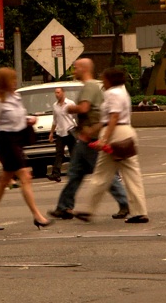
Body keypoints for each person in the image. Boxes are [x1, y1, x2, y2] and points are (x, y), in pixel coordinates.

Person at [48, 59, 130, 221]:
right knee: (75, 173)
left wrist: (70, 109)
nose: (74, 71)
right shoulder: (91, 86)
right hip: (85, 136)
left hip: (91, 137)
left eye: (76, 68)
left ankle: (124, 202)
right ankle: (64, 207)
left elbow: (84, 108)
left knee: (103, 174)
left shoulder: (90, 86)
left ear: (84, 69)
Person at [0, 67, 53, 230]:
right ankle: (38, 216)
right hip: (7, 142)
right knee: (25, 176)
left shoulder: (15, 97)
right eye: (12, 79)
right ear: (4, 82)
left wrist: (29, 119)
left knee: (3, 182)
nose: (15, 82)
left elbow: (18, 118)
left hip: (18, 140)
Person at [74, 68, 149, 223]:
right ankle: (140, 211)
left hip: (115, 133)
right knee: (131, 174)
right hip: (125, 132)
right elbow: (107, 118)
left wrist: (104, 139)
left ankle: (88, 209)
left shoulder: (112, 94)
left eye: (104, 79)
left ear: (109, 80)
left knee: (101, 174)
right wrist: (93, 131)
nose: (102, 82)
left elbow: (113, 117)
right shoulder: (122, 92)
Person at [48, 87, 77, 182]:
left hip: (70, 131)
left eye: (58, 92)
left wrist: (79, 129)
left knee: (73, 153)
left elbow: (76, 117)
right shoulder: (55, 105)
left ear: (63, 93)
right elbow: (54, 120)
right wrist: (51, 133)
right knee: (59, 154)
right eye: (55, 93)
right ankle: (56, 174)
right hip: (60, 132)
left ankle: (75, 172)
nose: (57, 94)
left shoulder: (70, 103)